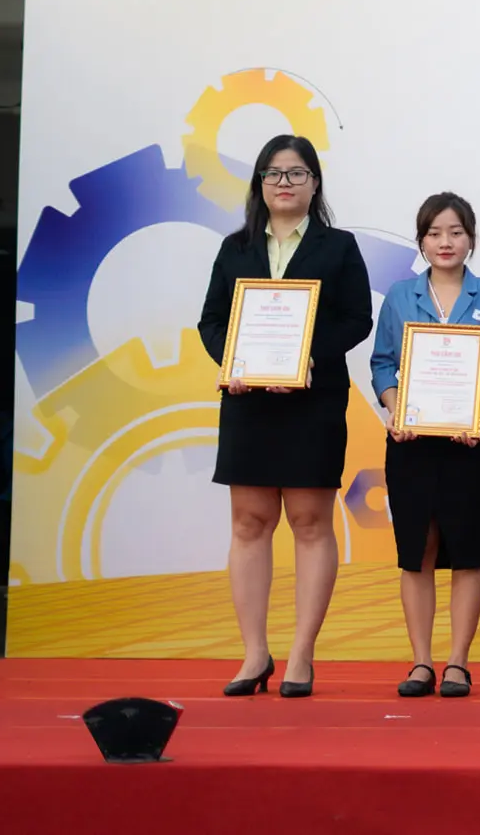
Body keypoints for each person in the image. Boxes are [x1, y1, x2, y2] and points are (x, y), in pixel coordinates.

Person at [198, 134, 374, 699]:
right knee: (249, 523)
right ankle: (254, 653)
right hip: (248, 402)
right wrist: (233, 360)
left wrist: (308, 355)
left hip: (312, 402)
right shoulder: (235, 247)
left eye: (296, 173)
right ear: (259, 183)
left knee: (310, 522)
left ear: (314, 183)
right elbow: (211, 322)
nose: (284, 183)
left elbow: (358, 318)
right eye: (273, 173)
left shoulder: (338, 246)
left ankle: (301, 653)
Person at [370, 192, 480, 700]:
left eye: (455, 232)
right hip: (411, 442)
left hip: (472, 443)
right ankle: (421, 662)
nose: (445, 242)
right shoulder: (399, 296)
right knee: (418, 553)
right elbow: (382, 363)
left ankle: (457, 662)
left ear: (471, 238)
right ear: (421, 241)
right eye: (434, 233)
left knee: (468, 553)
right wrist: (395, 408)